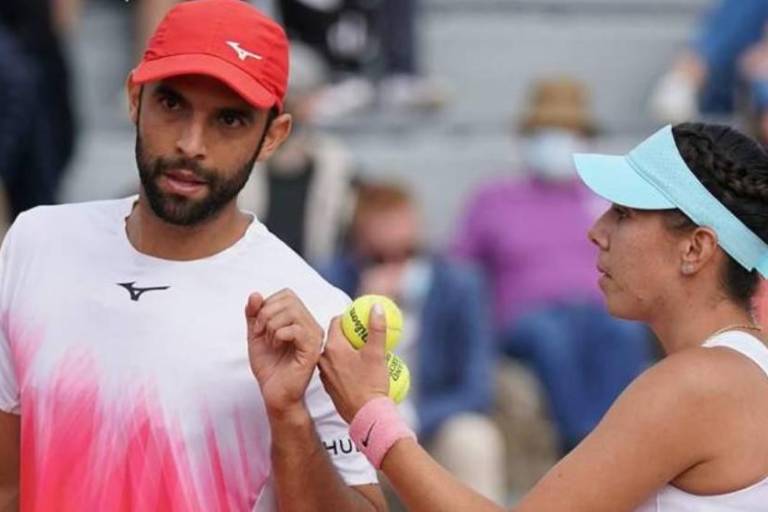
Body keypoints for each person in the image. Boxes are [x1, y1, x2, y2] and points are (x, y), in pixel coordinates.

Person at [0, 1, 386, 510]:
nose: (191, 143)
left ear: (273, 136)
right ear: (135, 98)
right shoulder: (37, 242)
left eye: (229, 119)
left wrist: (290, 419)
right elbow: (8, 483)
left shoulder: (313, 312)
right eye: (172, 104)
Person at [316, 122, 768, 511]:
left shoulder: (693, 384)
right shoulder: (737, 367)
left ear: (695, 249)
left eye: (624, 213)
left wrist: (371, 413)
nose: (596, 231)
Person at [452, 78, 653, 452]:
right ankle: (582, 443)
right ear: (527, 137)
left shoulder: (605, 201)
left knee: (622, 333)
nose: (557, 142)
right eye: (548, 132)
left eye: (567, 132)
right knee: (551, 338)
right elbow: (458, 272)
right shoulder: (494, 198)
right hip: (526, 319)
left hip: (597, 309)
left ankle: (620, 442)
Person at [320, 182, 505, 503]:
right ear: (359, 244)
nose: (396, 267)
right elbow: (324, 374)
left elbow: (476, 389)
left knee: (474, 438)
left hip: (430, 426)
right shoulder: (331, 281)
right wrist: (359, 310)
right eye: (380, 257)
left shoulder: (459, 285)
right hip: (355, 430)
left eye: (405, 253)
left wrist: (411, 421)